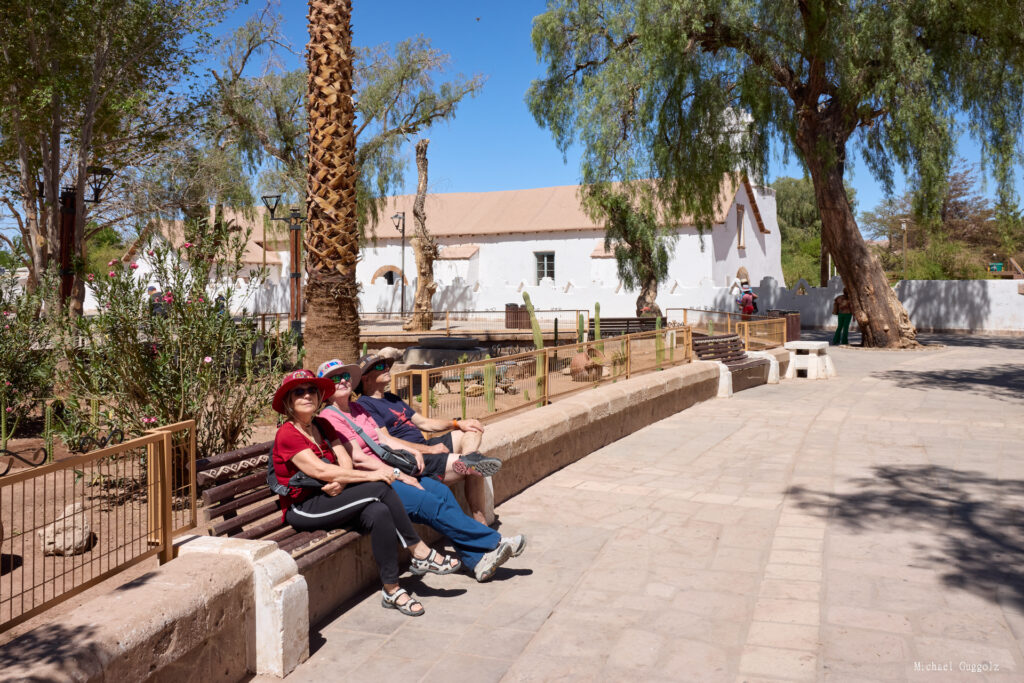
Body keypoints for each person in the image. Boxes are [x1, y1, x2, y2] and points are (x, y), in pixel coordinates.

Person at [316, 359, 526, 582]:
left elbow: (384, 440)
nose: (342, 381)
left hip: (390, 468)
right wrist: (399, 474)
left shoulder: (358, 409)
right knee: (429, 504)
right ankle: (494, 541)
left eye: (345, 376)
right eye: (335, 379)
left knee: (441, 492)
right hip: (375, 480)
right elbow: (358, 457)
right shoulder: (329, 416)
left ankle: (476, 561)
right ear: (326, 388)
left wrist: (413, 451)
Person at [271, 369, 452, 617]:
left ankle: (392, 589)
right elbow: (320, 470)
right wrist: (371, 475)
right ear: (288, 401)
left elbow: (344, 459)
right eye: (298, 392)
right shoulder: (287, 434)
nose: (307, 395)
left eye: (311, 390)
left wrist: (342, 481)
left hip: (333, 495)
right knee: (379, 487)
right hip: (305, 507)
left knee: (378, 512)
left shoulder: (322, 424)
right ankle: (419, 551)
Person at [355, 349, 501, 525]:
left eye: (386, 365)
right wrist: (429, 450)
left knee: (473, 430)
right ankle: (481, 523)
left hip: (425, 445)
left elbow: (424, 423)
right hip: (412, 457)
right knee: (475, 469)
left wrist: (457, 423)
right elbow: (387, 441)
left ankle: (469, 459)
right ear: (365, 378)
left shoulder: (392, 398)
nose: (386, 368)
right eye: (380, 367)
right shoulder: (364, 405)